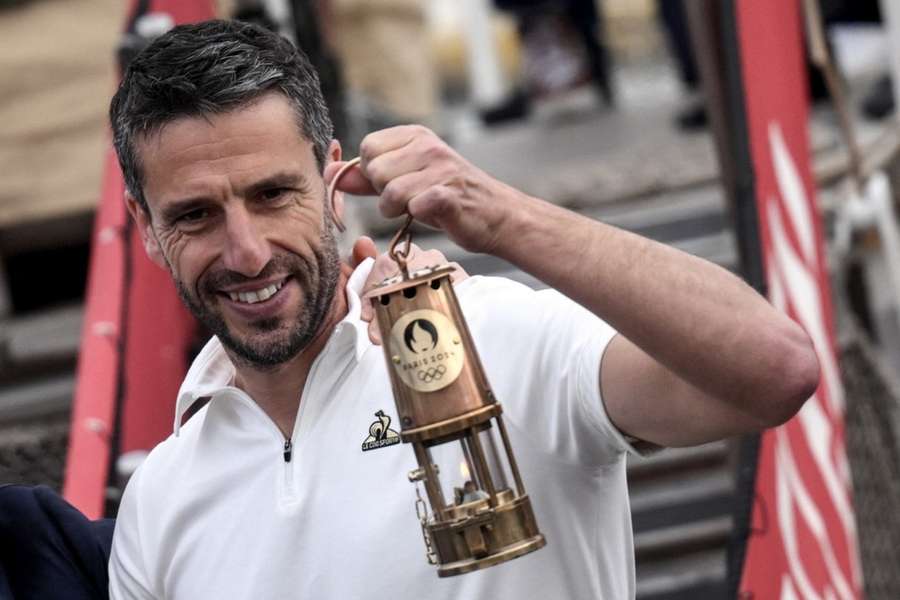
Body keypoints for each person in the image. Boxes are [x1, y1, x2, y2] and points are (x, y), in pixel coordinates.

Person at [107, 19, 819, 599]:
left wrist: (498, 214)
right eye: (196, 215)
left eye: (272, 195)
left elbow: (775, 368)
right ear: (144, 226)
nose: (247, 252)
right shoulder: (159, 502)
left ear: (333, 181)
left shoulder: (494, 335)